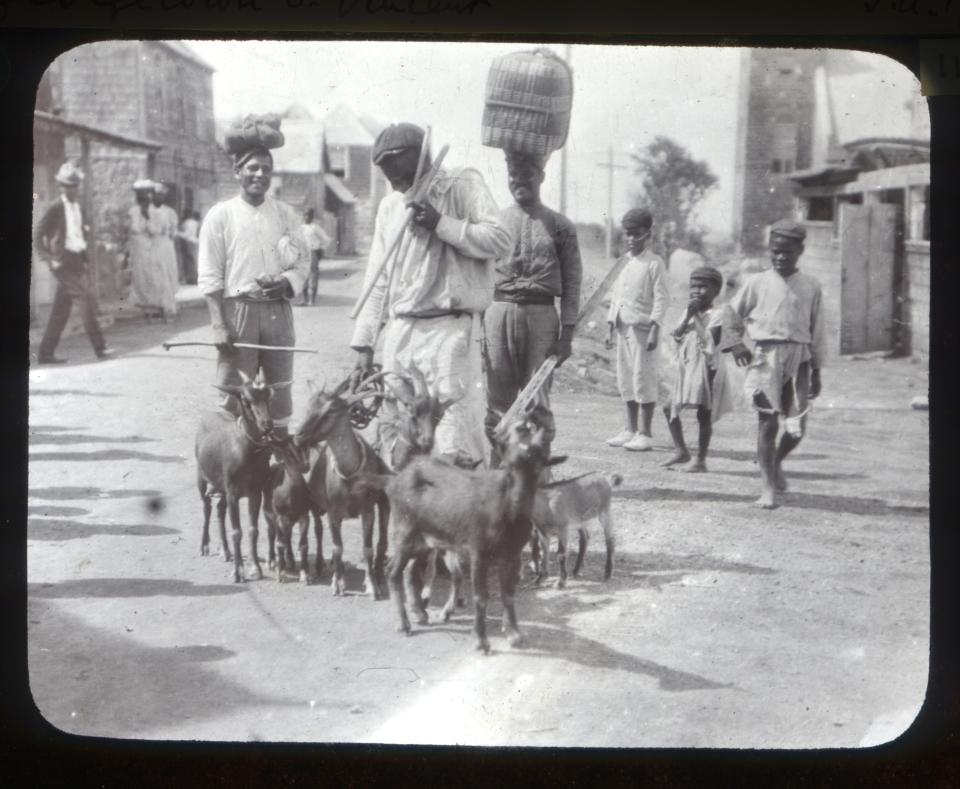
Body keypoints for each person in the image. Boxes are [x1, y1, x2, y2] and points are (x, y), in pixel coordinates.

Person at [350, 122, 512, 467]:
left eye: (398, 170)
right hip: (402, 330)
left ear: (421, 157)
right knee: (398, 429)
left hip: (448, 330)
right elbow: (378, 280)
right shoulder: (390, 207)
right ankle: (409, 512)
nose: (394, 181)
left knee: (452, 432)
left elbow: (501, 240)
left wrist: (441, 224)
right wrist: (364, 345)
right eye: (386, 173)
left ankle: (457, 512)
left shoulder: (461, 185)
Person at [197, 113, 309, 434]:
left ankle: (278, 465)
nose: (260, 175)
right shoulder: (220, 216)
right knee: (234, 393)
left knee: (280, 390)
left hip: (277, 312)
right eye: (253, 168)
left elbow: (303, 262)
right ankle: (228, 470)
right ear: (237, 172)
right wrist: (219, 325)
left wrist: (286, 283)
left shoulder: (286, 214)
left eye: (266, 170)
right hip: (238, 312)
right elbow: (210, 275)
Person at [483, 149, 582, 467]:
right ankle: (500, 472)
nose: (519, 182)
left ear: (540, 177)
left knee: (536, 397)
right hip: (498, 312)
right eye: (513, 176)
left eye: (526, 175)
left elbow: (572, 283)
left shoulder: (560, 226)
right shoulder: (494, 222)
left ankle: (538, 473)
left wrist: (567, 334)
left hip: (541, 316)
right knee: (498, 399)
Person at [725, 219, 826, 509]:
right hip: (765, 358)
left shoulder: (811, 286)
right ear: (770, 250)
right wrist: (736, 343)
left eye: (788, 251)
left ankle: (777, 461)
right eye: (776, 251)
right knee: (767, 422)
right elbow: (731, 314)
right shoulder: (756, 282)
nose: (781, 256)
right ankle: (767, 487)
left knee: (797, 428)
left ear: (800, 250)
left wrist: (817, 370)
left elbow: (817, 331)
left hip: (800, 359)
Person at [34, 161, 113, 364]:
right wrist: (49, 259)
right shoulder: (55, 207)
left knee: (61, 309)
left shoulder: (79, 208)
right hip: (62, 262)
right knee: (85, 298)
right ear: (61, 186)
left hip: (77, 260)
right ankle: (100, 347)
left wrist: (85, 260)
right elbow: (37, 236)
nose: (72, 189)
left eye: (75, 185)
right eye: (68, 185)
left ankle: (45, 353)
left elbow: (81, 236)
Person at [604, 208, 669, 451]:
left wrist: (655, 327)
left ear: (648, 234)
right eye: (628, 234)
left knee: (643, 378)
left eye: (637, 234)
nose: (631, 239)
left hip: (643, 329)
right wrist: (610, 326)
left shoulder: (654, 263)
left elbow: (662, 298)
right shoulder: (623, 262)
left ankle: (645, 432)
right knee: (626, 378)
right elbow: (616, 297)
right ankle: (629, 429)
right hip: (623, 327)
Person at [661, 265, 735, 472]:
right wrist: (687, 318)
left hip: (707, 368)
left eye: (703, 287)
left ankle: (700, 459)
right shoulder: (688, 311)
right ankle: (681, 451)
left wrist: (694, 318)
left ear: (716, 290)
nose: (696, 291)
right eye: (693, 287)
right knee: (669, 408)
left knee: (704, 413)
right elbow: (676, 334)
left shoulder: (719, 314)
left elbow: (710, 342)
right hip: (688, 367)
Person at [128, 179, 170, 322]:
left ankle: (159, 306)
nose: (143, 198)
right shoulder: (133, 211)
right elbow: (133, 229)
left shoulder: (155, 212)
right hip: (138, 247)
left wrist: (147, 219)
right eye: (140, 195)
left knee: (156, 275)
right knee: (141, 277)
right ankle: (146, 308)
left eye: (146, 195)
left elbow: (156, 230)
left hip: (153, 246)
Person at [150, 182, 181, 319]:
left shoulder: (169, 212)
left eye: (161, 196)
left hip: (166, 245)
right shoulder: (147, 211)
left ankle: (168, 305)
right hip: (152, 245)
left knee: (168, 274)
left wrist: (171, 234)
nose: (159, 198)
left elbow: (174, 229)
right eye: (156, 195)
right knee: (155, 274)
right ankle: (156, 306)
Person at [298, 208, 331, 306]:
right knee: (303, 276)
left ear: (312, 217)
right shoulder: (300, 228)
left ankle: (311, 300)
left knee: (312, 276)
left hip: (312, 252)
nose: (306, 217)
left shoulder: (315, 228)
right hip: (302, 254)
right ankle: (304, 299)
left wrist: (320, 249)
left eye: (308, 215)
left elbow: (326, 239)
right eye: (305, 215)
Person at [177, 210, 200, 285]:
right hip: (195, 241)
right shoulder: (195, 223)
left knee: (188, 261)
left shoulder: (185, 223)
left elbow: (186, 234)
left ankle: (191, 278)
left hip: (188, 242)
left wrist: (177, 233)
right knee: (194, 260)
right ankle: (195, 278)